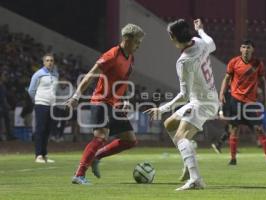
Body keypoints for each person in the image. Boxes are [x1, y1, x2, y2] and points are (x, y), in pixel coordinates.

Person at [145, 19, 218, 190]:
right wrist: (200, 30)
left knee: (180, 137)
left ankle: (196, 179)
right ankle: (188, 156)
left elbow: (184, 96)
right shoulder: (200, 42)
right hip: (206, 99)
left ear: (173, 37)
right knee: (169, 123)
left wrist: (161, 108)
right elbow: (212, 43)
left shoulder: (184, 61)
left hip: (203, 103)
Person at [66, 23, 145, 185]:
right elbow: (90, 76)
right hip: (101, 101)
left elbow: (121, 82)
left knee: (130, 140)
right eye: (137, 41)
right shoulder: (112, 55)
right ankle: (79, 174)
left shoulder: (130, 57)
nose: (139, 45)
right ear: (127, 39)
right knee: (101, 136)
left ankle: (96, 156)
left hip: (115, 104)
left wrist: (123, 100)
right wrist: (76, 96)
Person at [219, 39, 266, 165]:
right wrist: (221, 93)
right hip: (235, 100)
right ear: (240, 49)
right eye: (244, 47)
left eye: (248, 47)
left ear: (253, 50)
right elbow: (227, 78)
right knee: (234, 129)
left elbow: (263, 81)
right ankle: (233, 159)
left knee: (259, 129)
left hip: (251, 103)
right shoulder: (234, 62)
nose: (246, 49)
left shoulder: (258, 64)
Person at [28, 53, 58, 163]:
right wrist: (36, 100)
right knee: (40, 130)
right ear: (43, 62)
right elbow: (31, 90)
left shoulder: (55, 74)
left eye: (51, 60)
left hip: (51, 105)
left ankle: (44, 155)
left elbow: (55, 90)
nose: (50, 62)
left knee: (47, 130)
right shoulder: (38, 74)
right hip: (41, 104)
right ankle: (38, 155)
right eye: (48, 60)